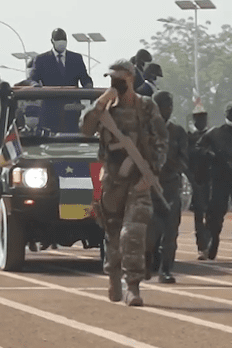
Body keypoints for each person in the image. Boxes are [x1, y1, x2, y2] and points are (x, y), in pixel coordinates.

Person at [80, 59, 167, 306]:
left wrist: (151, 174)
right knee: (114, 236)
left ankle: (133, 286)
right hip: (111, 182)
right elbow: (85, 129)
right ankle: (114, 275)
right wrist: (100, 103)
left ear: (131, 78)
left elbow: (162, 141)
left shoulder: (146, 107)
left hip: (138, 181)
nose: (115, 82)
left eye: (119, 78)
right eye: (111, 78)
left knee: (134, 233)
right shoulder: (103, 109)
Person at [198, 103, 232, 265]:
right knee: (215, 215)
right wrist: (211, 156)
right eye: (231, 112)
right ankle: (214, 241)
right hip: (220, 178)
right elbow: (200, 147)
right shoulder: (214, 132)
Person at [147, 91, 188, 283]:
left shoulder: (178, 132)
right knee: (149, 233)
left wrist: (172, 164)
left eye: (170, 105)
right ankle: (147, 264)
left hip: (171, 188)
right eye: (164, 105)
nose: (168, 109)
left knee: (171, 233)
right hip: (149, 189)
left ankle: (166, 270)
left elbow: (185, 159)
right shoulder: (146, 130)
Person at [187, 105, 212, 259]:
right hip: (195, 180)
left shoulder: (212, 136)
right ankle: (201, 246)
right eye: (198, 118)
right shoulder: (189, 138)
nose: (201, 120)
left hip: (210, 180)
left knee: (211, 215)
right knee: (198, 216)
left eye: (203, 118)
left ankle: (207, 242)